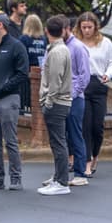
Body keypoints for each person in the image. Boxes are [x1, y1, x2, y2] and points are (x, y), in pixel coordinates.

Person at [0, 12, 29, 191]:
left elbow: (22, 73)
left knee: (10, 141)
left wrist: (3, 88)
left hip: (8, 100)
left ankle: (16, 178)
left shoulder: (16, 46)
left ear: (0, 25)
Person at [76, 12, 112, 177]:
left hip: (99, 83)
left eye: (89, 27)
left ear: (95, 27)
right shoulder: (76, 43)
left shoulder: (105, 43)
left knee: (97, 126)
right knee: (85, 125)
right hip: (82, 84)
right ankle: (86, 162)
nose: (86, 30)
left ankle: (95, 155)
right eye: (83, 27)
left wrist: (108, 74)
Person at [38, 17, 72, 196]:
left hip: (57, 102)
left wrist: (48, 101)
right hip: (59, 101)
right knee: (56, 142)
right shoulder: (58, 49)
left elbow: (55, 80)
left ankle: (61, 181)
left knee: (58, 142)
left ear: (47, 31)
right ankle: (58, 176)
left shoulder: (57, 51)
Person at [63, 20, 92, 184]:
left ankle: (80, 173)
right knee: (61, 137)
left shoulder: (78, 47)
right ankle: (60, 174)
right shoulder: (56, 46)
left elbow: (84, 75)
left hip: (74, 99)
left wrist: (73, 94)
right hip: (59, 97)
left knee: (75, 135)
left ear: (67, 29)